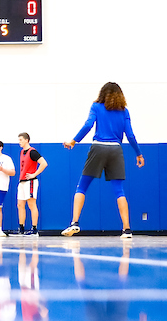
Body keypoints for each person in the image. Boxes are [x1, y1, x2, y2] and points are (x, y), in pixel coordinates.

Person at [62, 82, 144, 239]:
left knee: (82, 186)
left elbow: (88, 125)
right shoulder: (124, 111)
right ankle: (127, 230)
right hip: (116, 149)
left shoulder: (97, 107)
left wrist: (74, 141)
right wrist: (138, 153)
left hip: (98, 147)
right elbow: (130, 135)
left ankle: (74, 223)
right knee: (119, 190)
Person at [16, 132, 47, 237]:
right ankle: (21, 229)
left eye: (21, 140)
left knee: (31, 204)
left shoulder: (32, 151)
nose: (19, 142)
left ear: (26, 140)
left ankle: (34, 230)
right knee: (20, 205)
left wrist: (34, 174)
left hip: (30, 182)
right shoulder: (21, 152)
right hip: (22, 181)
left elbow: (44, 163)